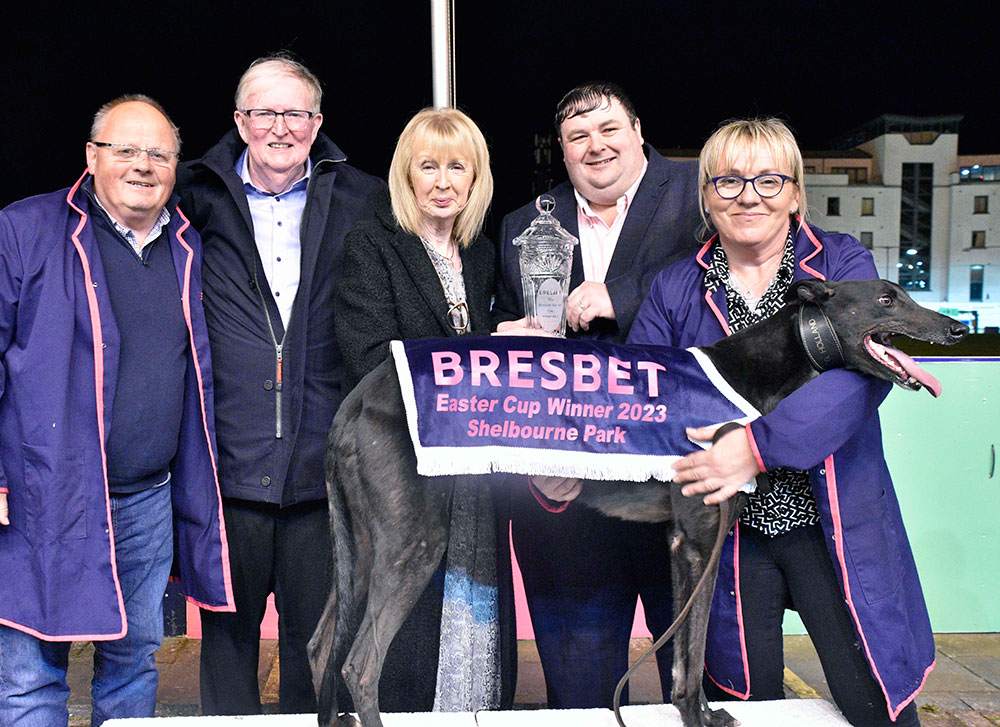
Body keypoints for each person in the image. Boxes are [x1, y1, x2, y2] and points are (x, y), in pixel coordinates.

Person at [627, 118, 929, 726]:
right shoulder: (676, 286)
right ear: (707, 196)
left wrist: (756, 448)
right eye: (729, 180)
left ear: (795, 193)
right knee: (744, 706)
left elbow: (858, 380)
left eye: (769, 180)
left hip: (832, 524)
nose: (749, 196)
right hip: (730, 538)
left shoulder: (841, 263)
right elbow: (643, 392)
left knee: (876, 705)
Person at [0, 96, 233, 726]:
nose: (143, 165)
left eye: (159, 154)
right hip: (42, 498)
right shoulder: (24, 229)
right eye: (125, 150)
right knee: (30, 676)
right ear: (91, 156)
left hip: (146, 501)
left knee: (133, 663)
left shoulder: (185, 244)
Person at [176, 54, 384, 715]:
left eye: (295, 113)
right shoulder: (191, 196)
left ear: (317, 123)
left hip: (323, 470)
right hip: (229, 469)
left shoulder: (364, 199)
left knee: (314, 648)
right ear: (240, 122)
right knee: (227, 644)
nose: (280, 127)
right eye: (264, 112)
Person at [492, 81, 701, 708]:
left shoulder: (699, 192)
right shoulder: (523, 225)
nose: (595, 145)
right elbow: (507, 342)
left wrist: (624, 295)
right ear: (561, 150)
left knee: (697, 688)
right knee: (580, 698)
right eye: (577, 136)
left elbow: (728, 275)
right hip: (568, 506)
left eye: (609, 129)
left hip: (676, 491)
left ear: (638, 131)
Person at [334, 106, 514, 712]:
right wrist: (484, 351)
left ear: (476, 177)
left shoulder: (482, 253)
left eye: (457, 167)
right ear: (405, 175)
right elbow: (370, 360)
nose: (442, 182)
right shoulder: (372, 243)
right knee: (406, 614)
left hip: (474, 472)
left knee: (473, 607)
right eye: (428, 166)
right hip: (404, 465)